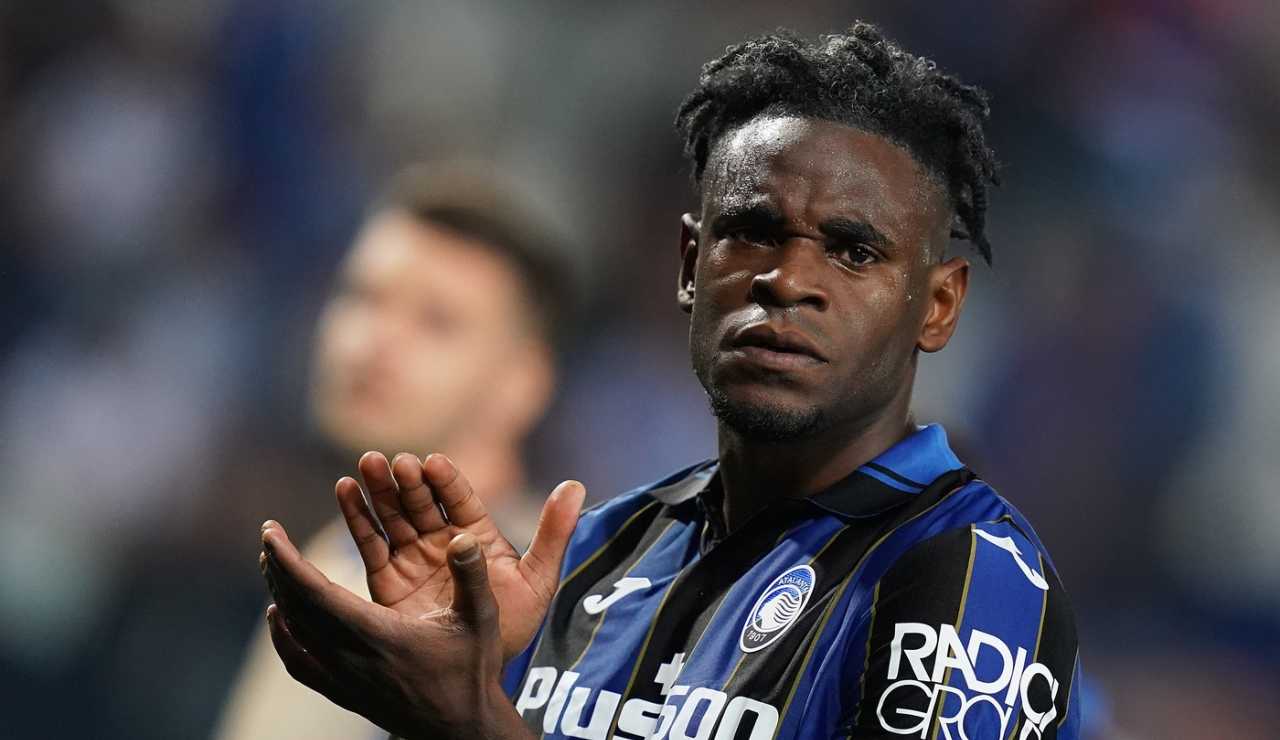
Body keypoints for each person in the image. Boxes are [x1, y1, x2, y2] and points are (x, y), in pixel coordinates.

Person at [258, 22, 1082, 740]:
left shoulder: (965, 572)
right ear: (691, 265)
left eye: (853, 251)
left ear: (938, 307)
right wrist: (464, 684)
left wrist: (467, 722)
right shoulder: (595, 556)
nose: (788, 279)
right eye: (752, 231)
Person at [219, 165, 573, 740]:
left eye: (437, 322)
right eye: (361, 296)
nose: (374, 341)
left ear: (522, 380)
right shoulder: (334, 551)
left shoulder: (539, 616)